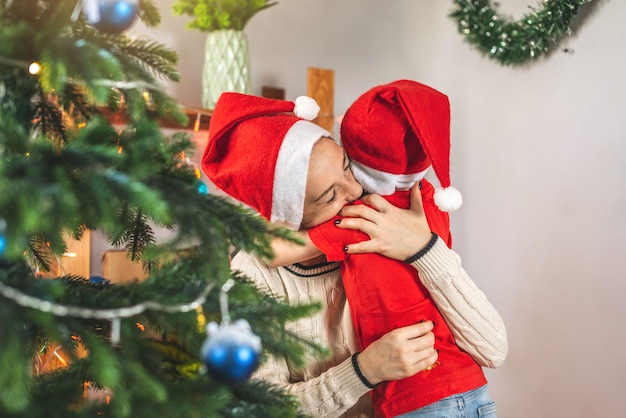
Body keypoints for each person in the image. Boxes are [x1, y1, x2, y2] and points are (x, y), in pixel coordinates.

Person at [201, 91, 507, 418]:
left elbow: (493, 349)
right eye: (330, 195)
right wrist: (363, 371)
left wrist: (424, 250)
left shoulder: (389, 222)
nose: (356, 191)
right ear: (287, 216)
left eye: (347, 167)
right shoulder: (253, 276)